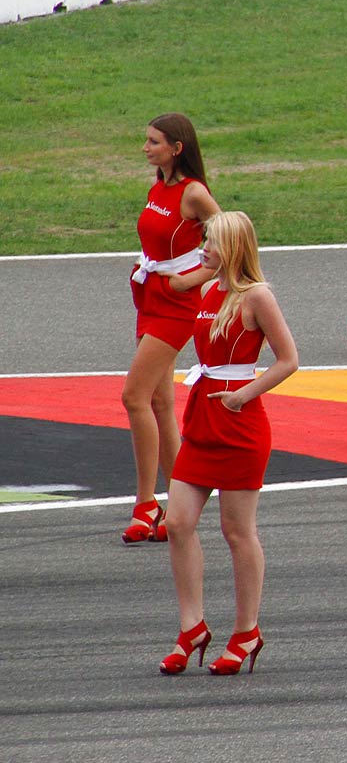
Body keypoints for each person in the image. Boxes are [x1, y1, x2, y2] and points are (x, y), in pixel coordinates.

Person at [157, 212, 298, 676]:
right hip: (201, 419)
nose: (204, 250)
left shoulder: (257, 296)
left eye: (212, 244)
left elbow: (288, 359)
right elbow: (178, 283)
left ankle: (246, 631)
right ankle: (192, 627)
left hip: (239, 424)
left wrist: (243, 394)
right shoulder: (209, 288)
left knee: (238, 533)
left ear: (233, 247)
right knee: (177, 522)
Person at [123, 113, 221, 545]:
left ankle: (146, 503)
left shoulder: (194, 192)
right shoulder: (159, 186)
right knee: (161, 402)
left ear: (177, 147)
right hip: (150, 297)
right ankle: (181, 505)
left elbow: (234, 240)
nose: (145, 148)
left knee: (134, 397)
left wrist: (193, 279)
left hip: (177, 305)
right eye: (146, 141)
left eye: (154, 142)